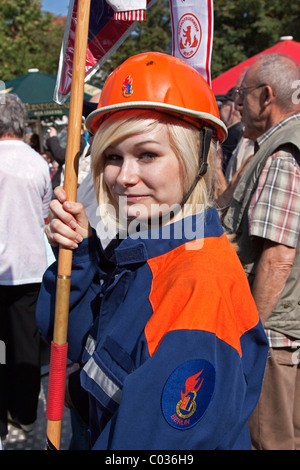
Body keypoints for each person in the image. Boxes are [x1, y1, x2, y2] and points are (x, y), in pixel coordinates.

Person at [36, 52, 268, 450]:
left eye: (147, 154)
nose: (124, 178)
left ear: (196, 159)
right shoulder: (145, 249)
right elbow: (67, 334)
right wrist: (80, 252)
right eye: (112, 156)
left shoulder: (197, 284)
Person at [223, 53, 300, 450]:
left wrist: (247, 337)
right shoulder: (273, 146)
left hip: (273, 337)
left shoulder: (282, 153)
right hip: (285, 329)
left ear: (266, 96)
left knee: (268, 440)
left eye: (242, 94)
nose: (237, 103)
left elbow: (277, 257)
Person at [0, 94, 52, 440]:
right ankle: (25, 414)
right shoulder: (38, 163)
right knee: (26, 347)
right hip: (32, 267)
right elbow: (45, 216)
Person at [217, 87, 244, 173]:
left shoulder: (231, 134)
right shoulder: (240, 132)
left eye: (223, 105)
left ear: (232, 107)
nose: (220, 109)